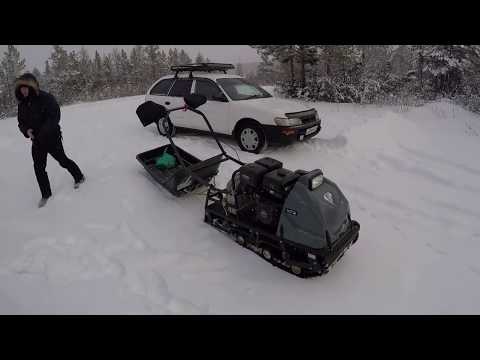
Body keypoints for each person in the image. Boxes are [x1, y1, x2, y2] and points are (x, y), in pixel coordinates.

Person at [15, 73, 85, 208]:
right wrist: (26, 131)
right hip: (36, 141)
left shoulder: (46, 98)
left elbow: (54, 117)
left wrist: (43, 132)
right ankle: (46, 194)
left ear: (32, 86)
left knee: (63, 161)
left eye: (25, 87)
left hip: (52, 138)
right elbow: (21, 122)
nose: (23, 91)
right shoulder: (22, 104)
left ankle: (79, 177)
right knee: (38, 168)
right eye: (21, 88)